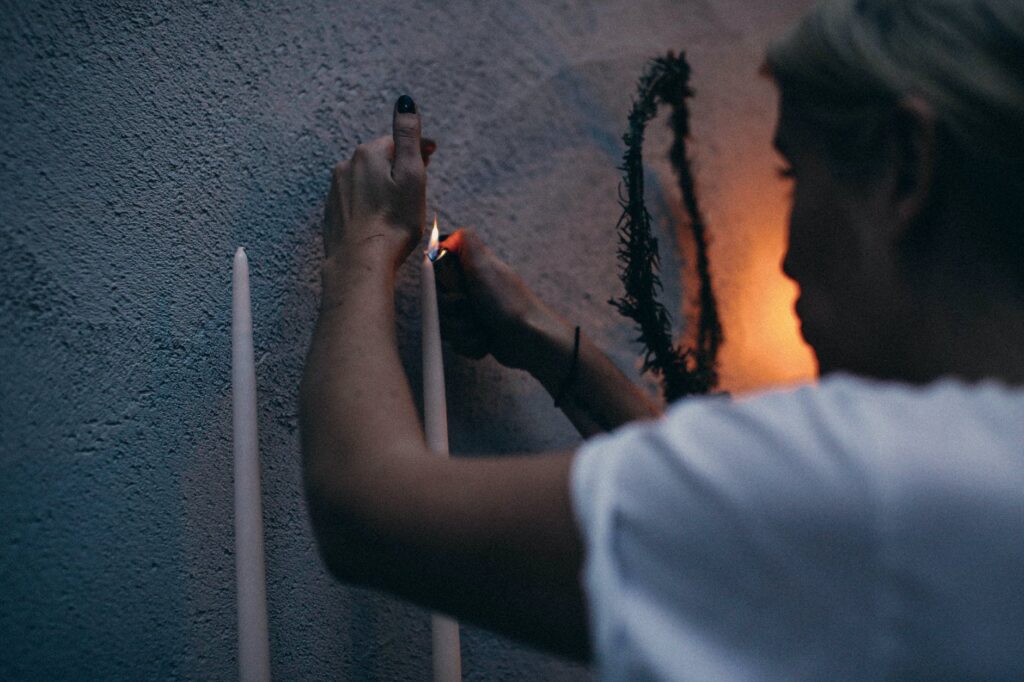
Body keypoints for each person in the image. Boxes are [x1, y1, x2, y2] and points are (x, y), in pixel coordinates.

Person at [299, 0, 1024, 678]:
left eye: (794, 174)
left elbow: (367, 509)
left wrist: (365, 246)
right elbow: (738, 517)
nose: (789, 258)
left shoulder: (893, 488)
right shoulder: (971, 470)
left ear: (905, 167)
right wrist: (548, 345)